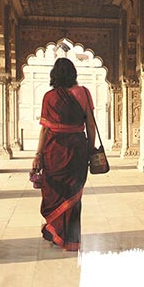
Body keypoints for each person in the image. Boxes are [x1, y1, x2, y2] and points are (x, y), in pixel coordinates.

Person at [31, 57, 97, 251]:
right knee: (74, 195)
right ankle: (71, 239)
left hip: (54, 152)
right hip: (77, 151)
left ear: (54, 75)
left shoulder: (49, 97)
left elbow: (44, 130)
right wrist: (91, 150)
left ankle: (56, 230)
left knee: (55, 191)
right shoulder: (84, 93)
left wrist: (38, 155)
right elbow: (90, 125)